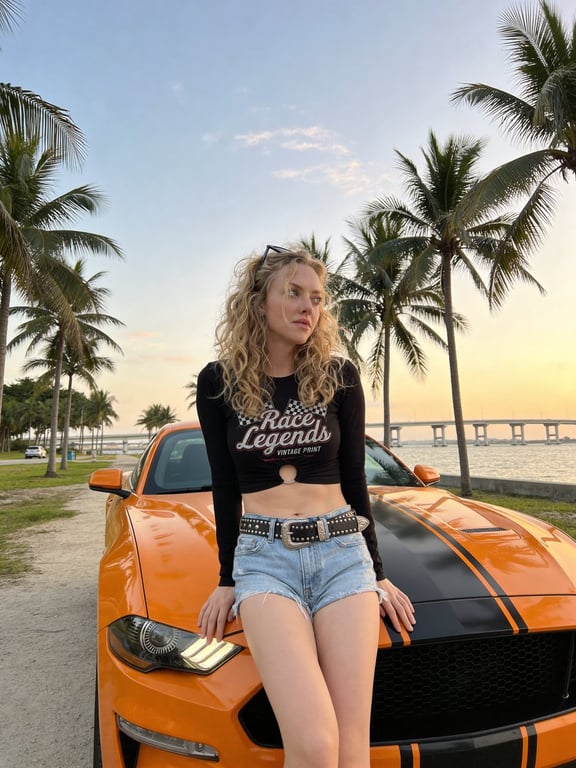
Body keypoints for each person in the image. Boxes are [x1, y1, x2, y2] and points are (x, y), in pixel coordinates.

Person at [196, 245, 415, 768]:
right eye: (293, 293)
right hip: (265, 559)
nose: (307, 308)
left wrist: (377, 572)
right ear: (259, 300)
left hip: (342, 554)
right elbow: (225, 486)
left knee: (351, 746)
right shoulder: (219, 382)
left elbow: (355, 478)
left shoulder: (340, 377)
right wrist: (227, 578)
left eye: (316, 298)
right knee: (315, 743)